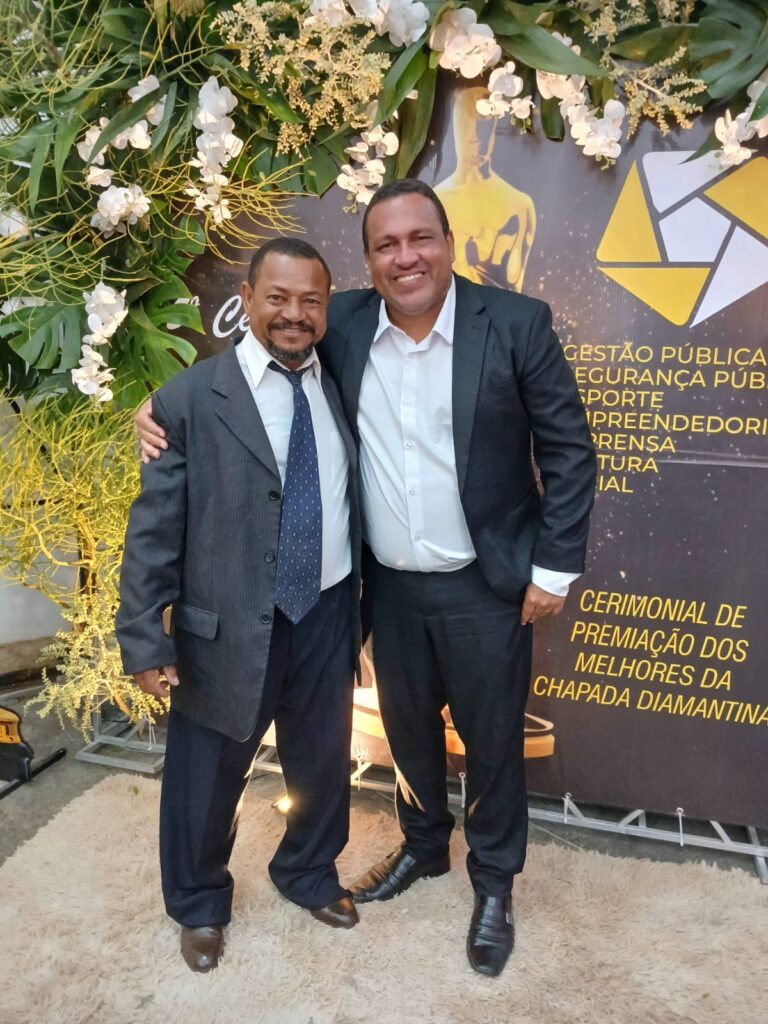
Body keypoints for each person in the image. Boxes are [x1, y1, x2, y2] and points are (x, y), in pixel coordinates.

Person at [136, 179, 596, 978]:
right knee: (408, 734)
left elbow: (568, 452)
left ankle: (494, 884)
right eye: (386, 245)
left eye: (420, 239)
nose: (405, 257)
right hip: (385, 587)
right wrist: (158, 407)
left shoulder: (515, 324)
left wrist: (552, 568)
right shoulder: (339, 322)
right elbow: (252, 358)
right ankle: (423, 847)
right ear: (369, 262)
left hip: (485, 585)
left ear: (447, 242)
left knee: (491, 744)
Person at [117, 238, 362, 975]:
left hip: (325, 611)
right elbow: (153, 531)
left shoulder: (342, 377)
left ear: (327, 307)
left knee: (321, 760)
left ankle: (307, 872)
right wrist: (144, 640)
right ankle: (198, 903)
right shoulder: (189, 399)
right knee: (206, 774)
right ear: (247, 299)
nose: (294, 314)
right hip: (222, 623)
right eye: (277, 298)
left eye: (310, 300)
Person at [435, 87, 537, 292]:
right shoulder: (432, 203)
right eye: (468, 124)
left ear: (494, 129)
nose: (476, 137)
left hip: (495, 310)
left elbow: (513, 288)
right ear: (456, 128)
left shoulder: (519, 205)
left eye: (485, 125)